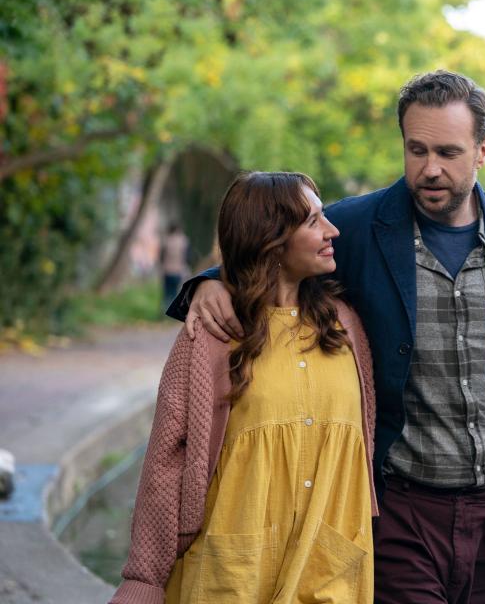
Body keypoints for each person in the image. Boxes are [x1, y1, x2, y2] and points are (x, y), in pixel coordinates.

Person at [170, 70, 485, 604]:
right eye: (416, 149)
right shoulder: (358, 226)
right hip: (401, 511)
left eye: (448, 152)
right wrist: (207, 286)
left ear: (483, 150)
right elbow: (273, 245)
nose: (429, 169)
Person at [111, 172, 378, 604]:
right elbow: (165, 461)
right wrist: (144, 577)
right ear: (270, 239)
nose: (332, 231)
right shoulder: (211, 336)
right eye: (313, 222)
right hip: (232, 578)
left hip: (331, 574)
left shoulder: (346, 326)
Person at [159, 223, 190, 311]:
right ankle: (173, 311)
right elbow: (187, 257)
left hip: (167, 270)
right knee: (176, 293)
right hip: (178, 270)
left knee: (166, 293)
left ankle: (164, 312)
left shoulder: (166, 240)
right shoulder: (183, 241)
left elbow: (161, 257)